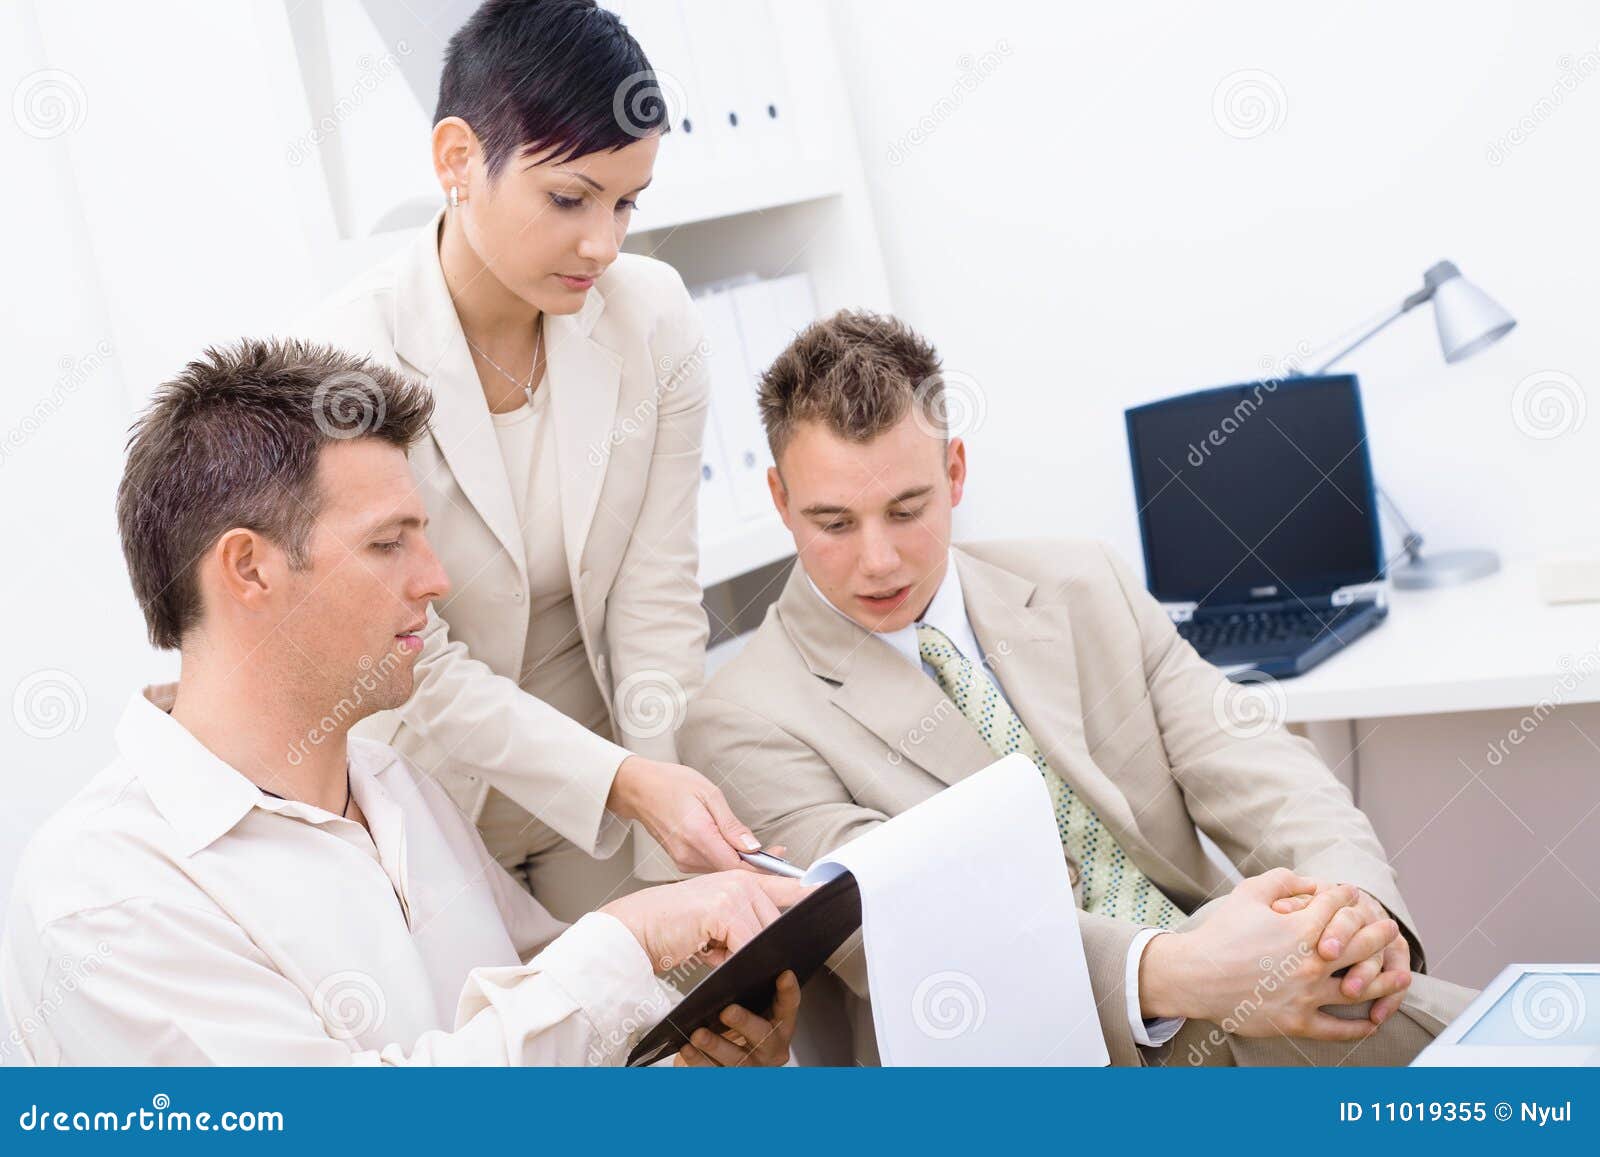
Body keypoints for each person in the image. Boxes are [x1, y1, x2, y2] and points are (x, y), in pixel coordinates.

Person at [676, 309, 1477, 1066]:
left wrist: (1360, 915)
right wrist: (1180, 971)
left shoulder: (1081, 581)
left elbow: (1258, 764)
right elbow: (905, 935)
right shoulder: (743, 719)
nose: (878, 559)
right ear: (780, 501)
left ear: (954, 473)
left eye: (906, 507)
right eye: (835, 523)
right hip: (1034, 1072)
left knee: (1535, 1063)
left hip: (1246, 1002)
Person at [0, 339, 804, 1066]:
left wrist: (684, 1060)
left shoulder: (397, 787)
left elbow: (556, 1033)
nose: (434, 578)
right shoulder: (105, 894)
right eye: (389, 543)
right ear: (248, 569)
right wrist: (629, 936)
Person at [294, 0, 748, 919]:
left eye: (627, 203)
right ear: (458, 159)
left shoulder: (652, 318)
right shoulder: (344, 364)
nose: (603, 243)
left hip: (610, 775)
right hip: (424, 788)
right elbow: (412, 653)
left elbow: (657, 595)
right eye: (570, 198)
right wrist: (624, 781)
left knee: (679, 1031)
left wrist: (664, 817)